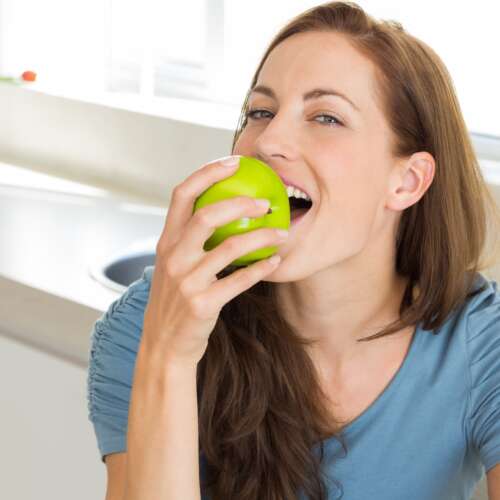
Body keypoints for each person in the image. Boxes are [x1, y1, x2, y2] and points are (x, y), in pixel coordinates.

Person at [87, 2, 500, 499]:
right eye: (260, 112)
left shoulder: (482, 343)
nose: (269, 140)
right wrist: (169, 357)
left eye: (325, 117)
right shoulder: (150, 323)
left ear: (406, 181)